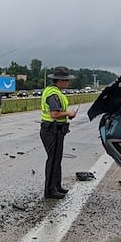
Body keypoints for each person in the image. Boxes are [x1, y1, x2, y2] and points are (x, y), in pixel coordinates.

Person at [39, 67, 77, 199]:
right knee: (53, 160)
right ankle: (50, 191)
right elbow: (54, 114)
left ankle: (57, 186)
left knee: (57, 159)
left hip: (56, 130)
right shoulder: (53, 94)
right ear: (60, 81)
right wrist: (69, 113)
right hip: (51, 130)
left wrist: (67, 116)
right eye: (66, 81)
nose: (68, 83)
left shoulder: (56, 92)